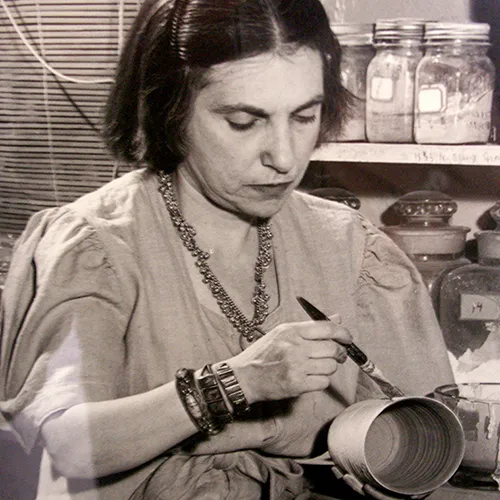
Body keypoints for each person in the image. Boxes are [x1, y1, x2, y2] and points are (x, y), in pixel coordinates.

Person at [0, 0, 455, 498]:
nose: (284, 157)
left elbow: (426, 433)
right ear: (170, 111)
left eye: (304, 116)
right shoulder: (96, 245)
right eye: (244, 121)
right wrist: (236, 384)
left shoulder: (350, 246)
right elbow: (54, 447)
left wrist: (384, 465)